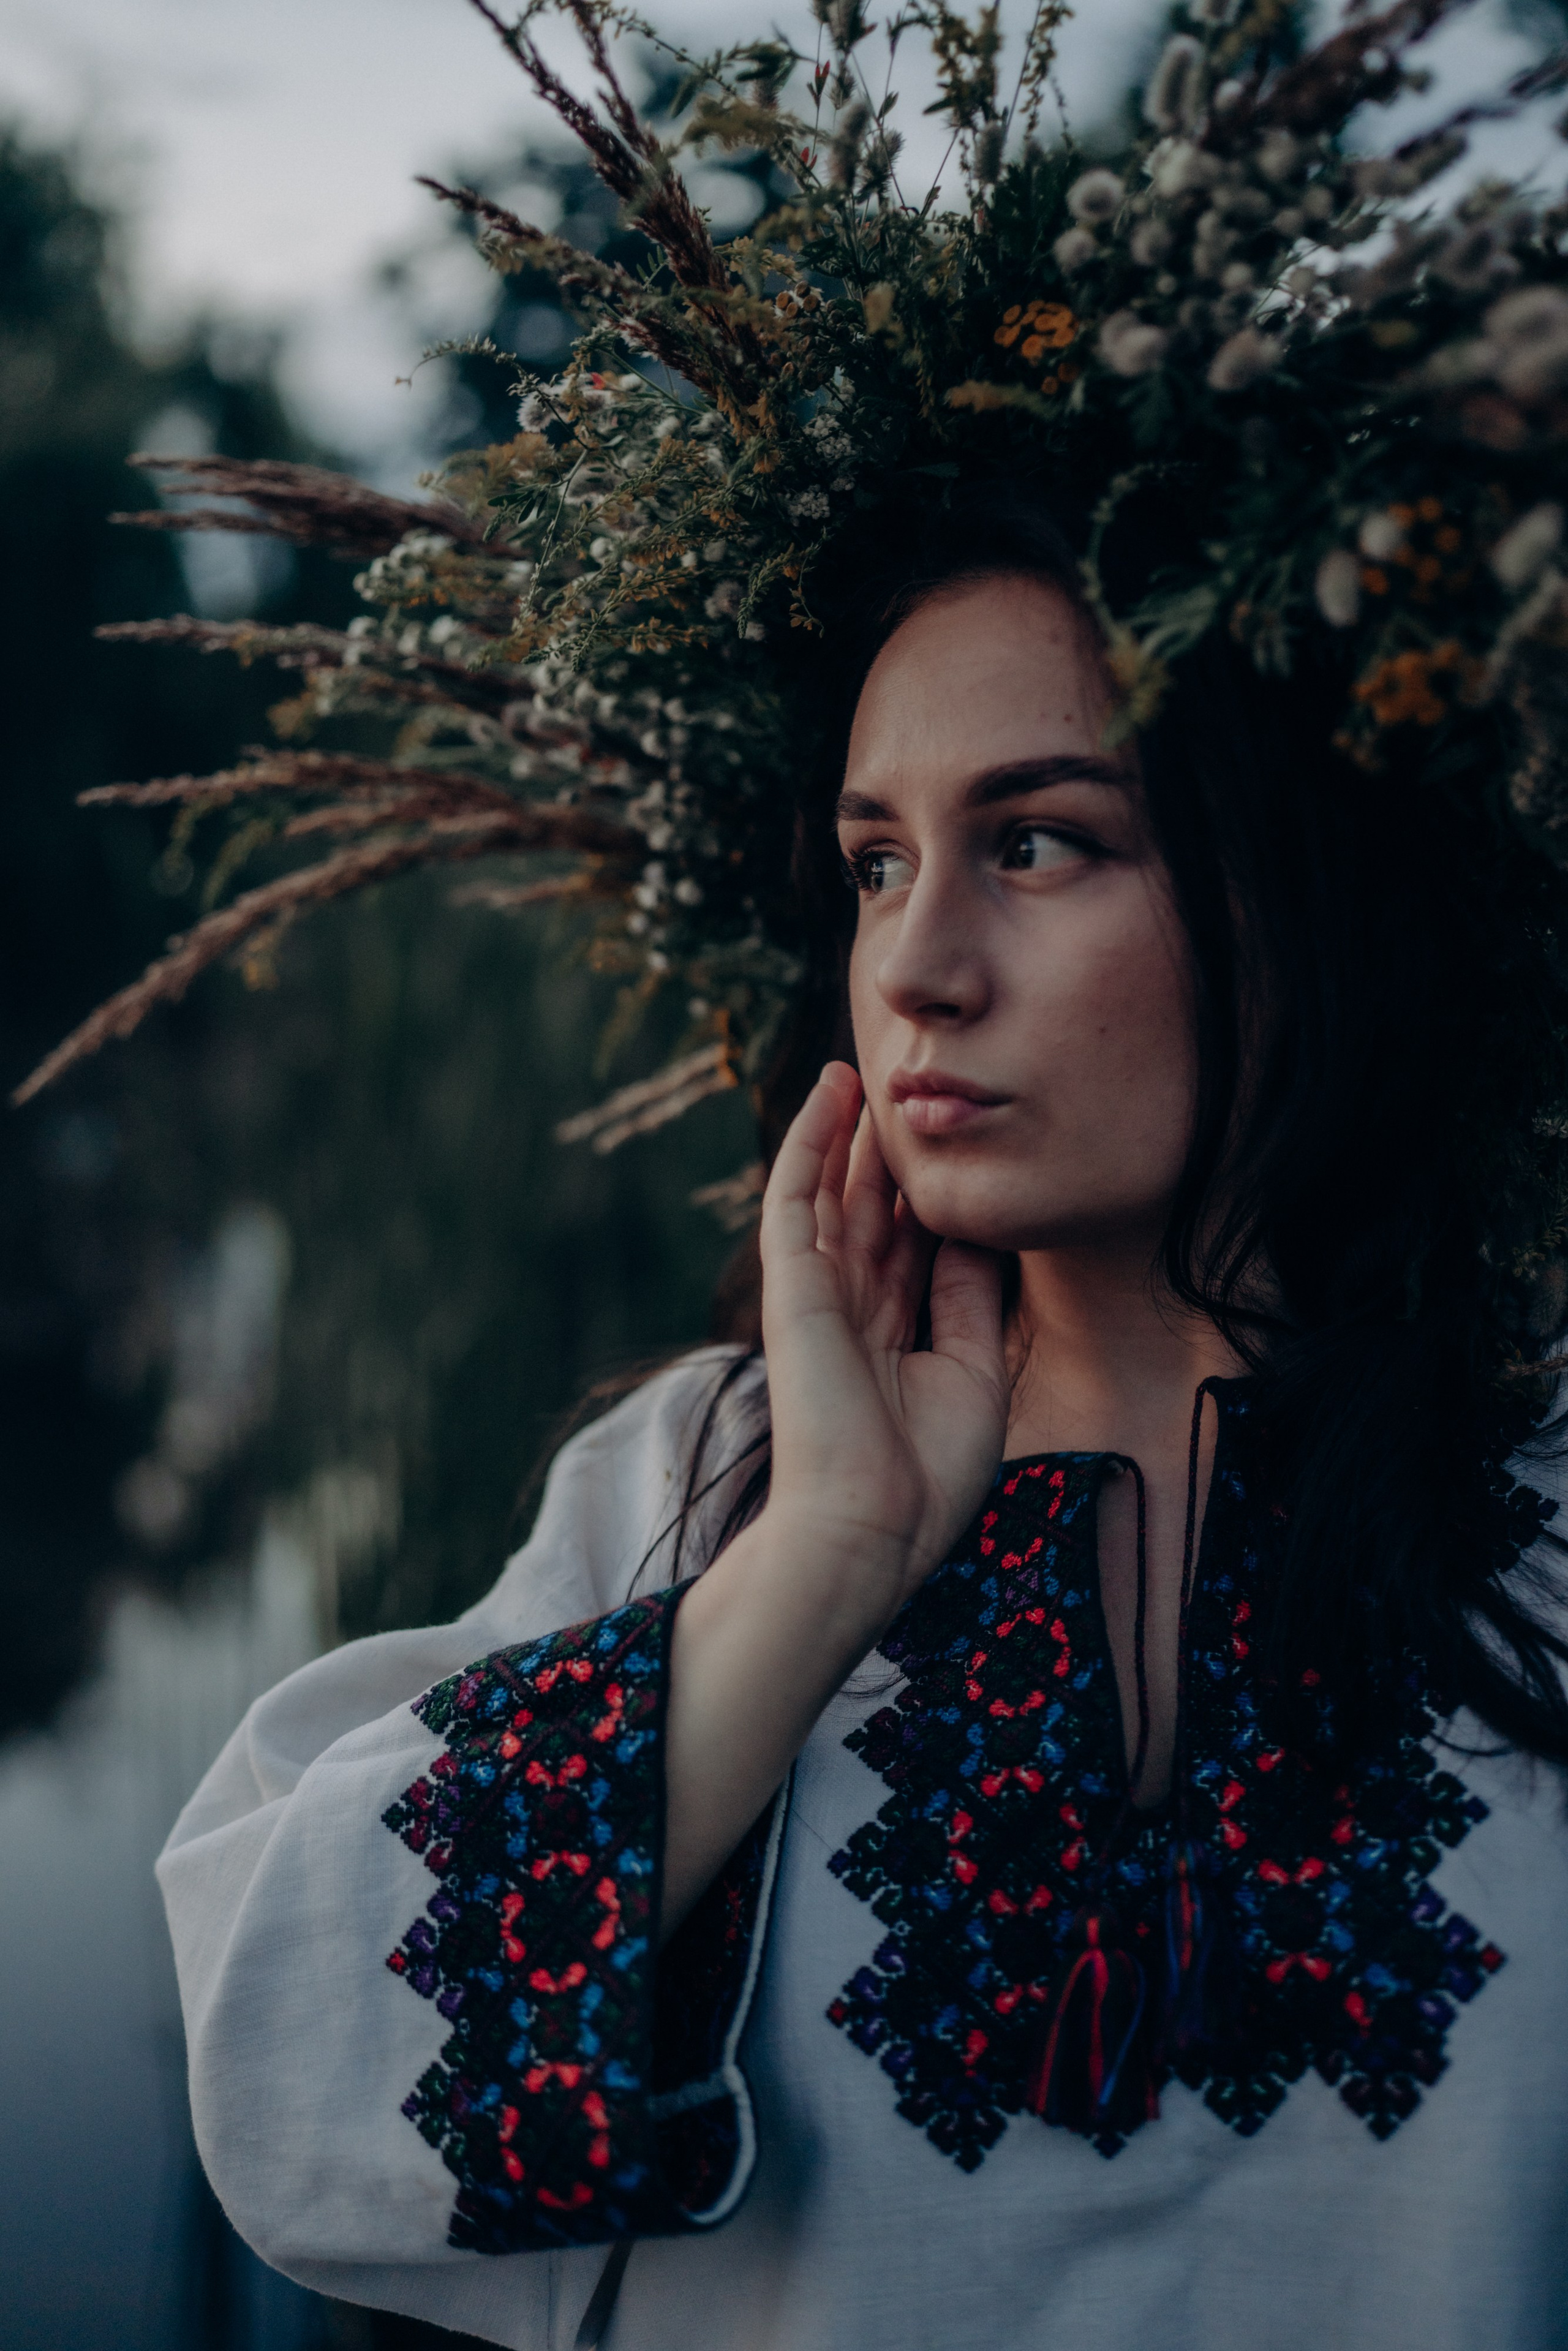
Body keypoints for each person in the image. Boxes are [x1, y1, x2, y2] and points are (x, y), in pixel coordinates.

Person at [20, 1, 1558, 2344]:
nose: (916, 968)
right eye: (872, 864)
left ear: (1302, 889)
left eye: (1041, 843)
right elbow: (294, 2077)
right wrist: (822, 1561)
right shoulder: (698, 1488)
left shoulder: (1537, 1517)